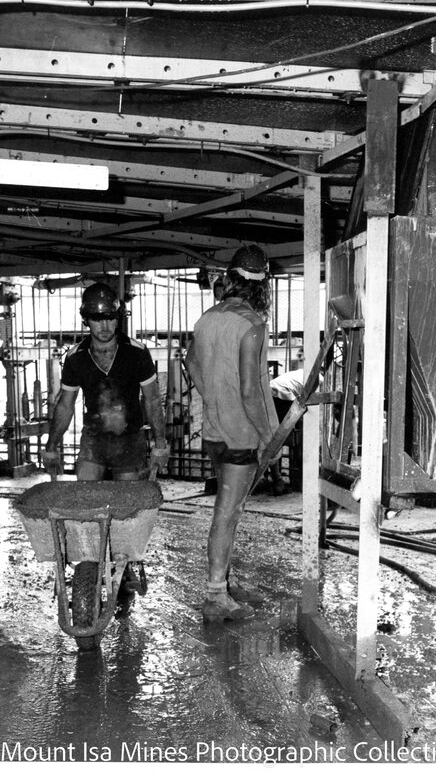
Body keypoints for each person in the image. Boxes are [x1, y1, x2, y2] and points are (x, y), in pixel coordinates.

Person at [185, 244, 278, 622]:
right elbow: (250, 391)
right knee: (227, 513)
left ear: (231, 278)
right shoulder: (252, 325)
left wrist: (211, 396)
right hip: (241, 434)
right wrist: (269, 435)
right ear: (263, 285)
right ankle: (215, 596)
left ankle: (224, 581)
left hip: (214, 431)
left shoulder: (207, 318)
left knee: (230, 509)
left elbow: (190, 362)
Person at [43, 282, 169, 482]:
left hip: (130, 440)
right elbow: (66, 405)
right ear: (86, 320)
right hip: (94, 439)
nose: (104, 326)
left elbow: (152, 399)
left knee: (128, 498)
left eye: (110, 318)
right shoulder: (76, 357)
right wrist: (51, 447)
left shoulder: (137, 353)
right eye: (97, 319)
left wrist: (160, 443)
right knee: (86, 490)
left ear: (118, 318)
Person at [266, 366, 308, 496]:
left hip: (270, 392)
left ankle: (277, 480)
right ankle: (297, 482)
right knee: (289, 437)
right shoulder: (318, 378)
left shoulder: (299, 372)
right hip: (283, 396)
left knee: (274, 436)